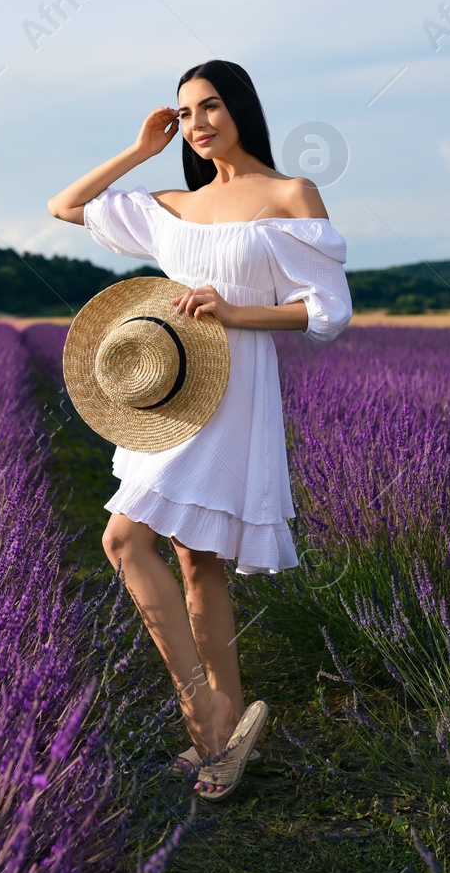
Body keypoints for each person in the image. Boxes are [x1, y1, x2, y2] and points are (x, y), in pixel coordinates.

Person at [46, 59, 354, 799]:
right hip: (173, 386)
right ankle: (215, 721)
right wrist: (139, 150)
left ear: (241, 107)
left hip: (237, 382)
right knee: (167, 552)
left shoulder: (289, 194)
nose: (198, 123)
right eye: (186, 113)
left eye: (211, 106)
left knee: (164, 550)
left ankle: (207, 716)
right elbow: (64, 206)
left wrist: (237, 310)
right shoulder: (168, 202)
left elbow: (327, 310)